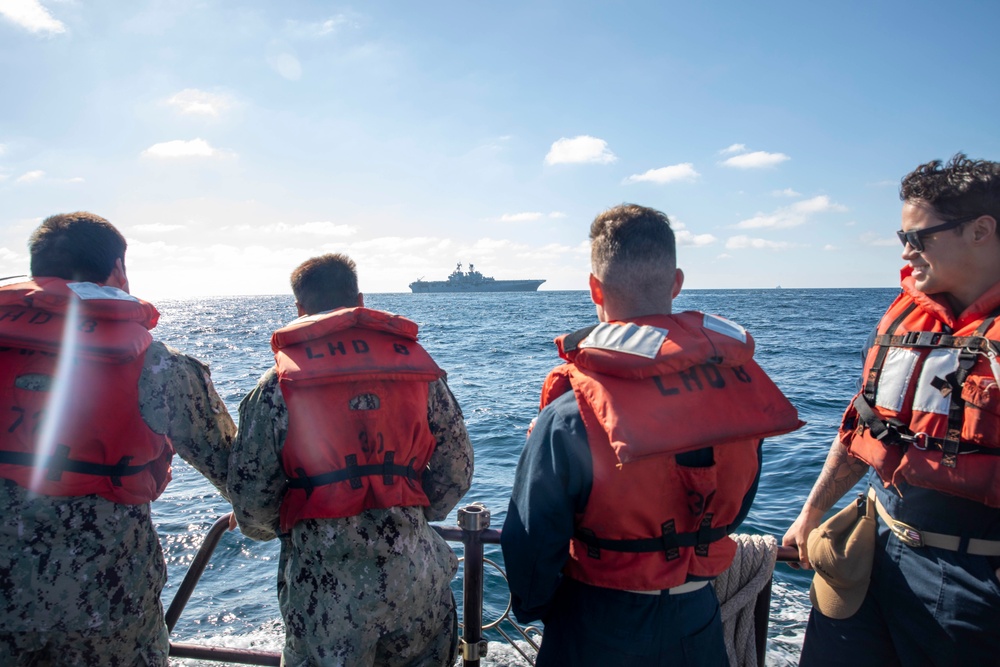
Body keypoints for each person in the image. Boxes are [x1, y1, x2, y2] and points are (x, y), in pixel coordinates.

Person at [501, 204, 802, 666]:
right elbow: (736, 509)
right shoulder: (739, 397)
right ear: (676, 283)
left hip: (596, 622)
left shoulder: (569, 414)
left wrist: (539, 608)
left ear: (594, 288)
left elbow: (530, 542)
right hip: (697, 620)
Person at [783, 154, 1000, 666]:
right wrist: (811, 512)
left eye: (918, 236)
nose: (906, 251)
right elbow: (866, 426)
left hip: (976, 581)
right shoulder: (904, 320)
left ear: (981, 230)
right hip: (873, 553)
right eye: (902, 237)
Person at [0, 212, 236, 665]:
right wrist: (263, 519)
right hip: (106, 602)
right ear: (118, 270)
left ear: (36, 272)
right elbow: (239, 473)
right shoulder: (159, 364)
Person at [228, 253, 474, 666]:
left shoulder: (276, 388)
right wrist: (416, 506)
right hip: (416, 583)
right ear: (359, 300)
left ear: (299, 310)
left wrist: (284, 527)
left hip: (325, 599)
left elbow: (251, 501)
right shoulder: (419, 372)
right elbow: (457, 470)